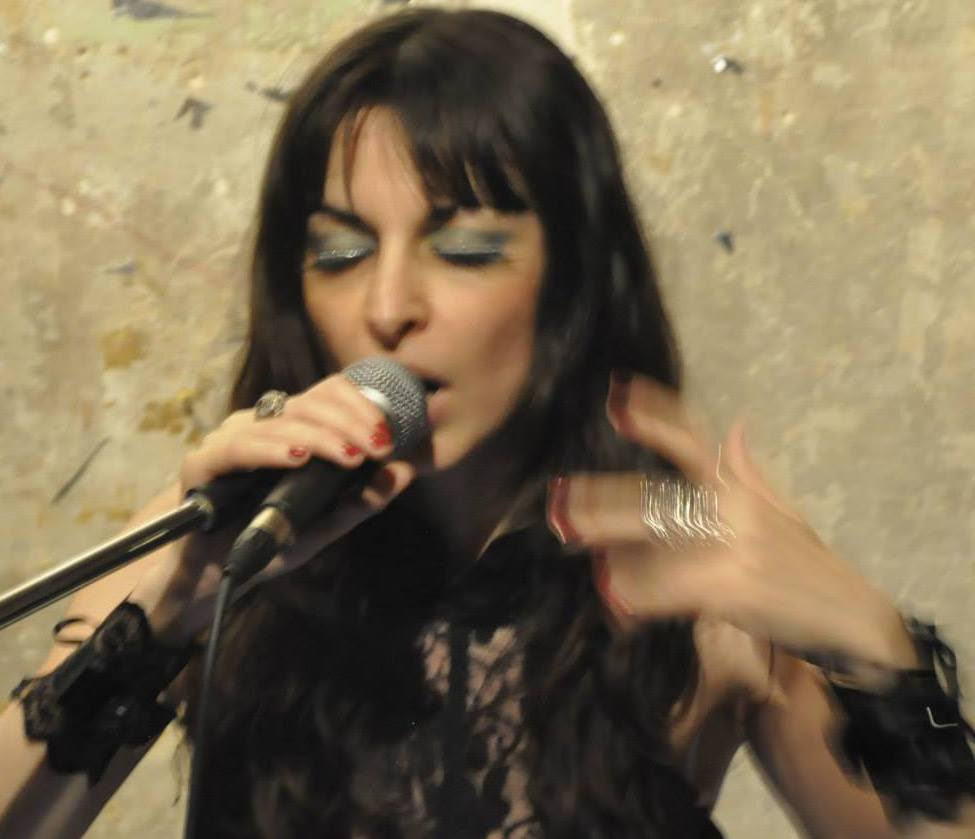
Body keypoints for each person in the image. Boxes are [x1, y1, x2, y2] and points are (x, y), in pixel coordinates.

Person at [1, 8, 973, 838]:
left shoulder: (686, 559)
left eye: (464, 247)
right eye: (339, 253)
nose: (388, 306)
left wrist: (881, 655)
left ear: (571, 284)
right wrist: (165, 612)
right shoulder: (220, 541)